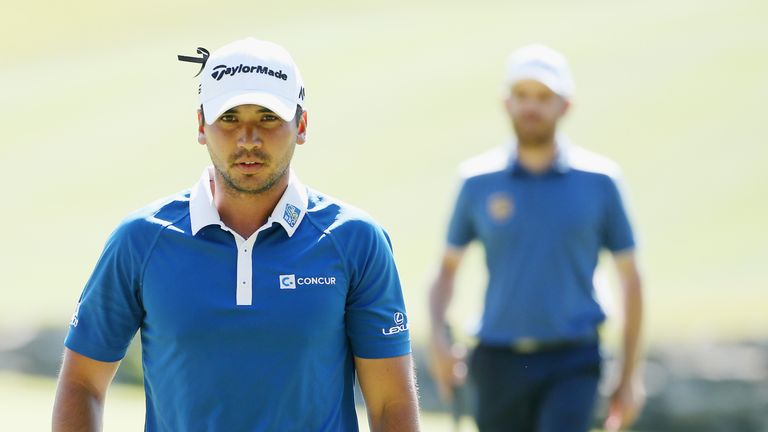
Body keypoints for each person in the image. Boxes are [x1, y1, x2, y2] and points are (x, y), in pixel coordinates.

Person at [52, 37, 420, 432]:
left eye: (267, 117)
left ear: (302, 126)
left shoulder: (355, 240)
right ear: (201, 126)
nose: (248, 139)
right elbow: (82, 383)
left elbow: (389, 405)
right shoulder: (141, 241)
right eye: (229, 118)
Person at [427, 44, 644, 432]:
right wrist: (440, 342)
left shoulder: (600, 181)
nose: (532, 107)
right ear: (506, 103)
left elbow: (630, 278)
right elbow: (446, 269)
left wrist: (628, 376)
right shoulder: (477, 181)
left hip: (573, 357)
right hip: (496, 358)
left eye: (544, 97)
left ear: (565, 105)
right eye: (522, 96)